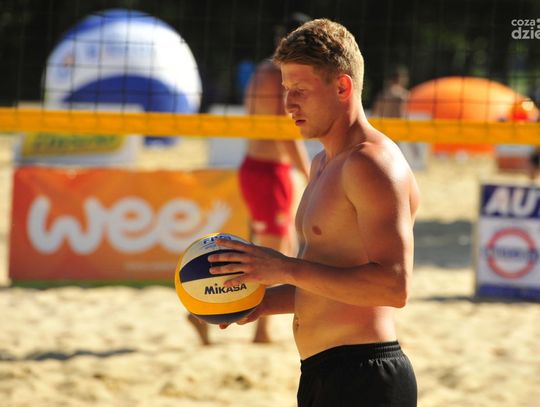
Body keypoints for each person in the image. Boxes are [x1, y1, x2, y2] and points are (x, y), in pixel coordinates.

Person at [208, 19, 419, 406]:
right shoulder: (323, 163)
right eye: (286, 90)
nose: (288, 104)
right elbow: (330, 284)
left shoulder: (371, 164)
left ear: (342, 87)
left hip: (365, 375)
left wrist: (283, 268)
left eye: (300, 91)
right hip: (321, 372)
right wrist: (261, 303)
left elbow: (393, 287)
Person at [187, 14, 311, 345]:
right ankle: (256, 329)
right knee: (274, 254)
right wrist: (310, 172)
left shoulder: (263, 70)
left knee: (273, 250)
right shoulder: (276, 75)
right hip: (268, 171)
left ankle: (218, 317)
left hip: (261, 168)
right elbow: (283, 132)